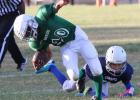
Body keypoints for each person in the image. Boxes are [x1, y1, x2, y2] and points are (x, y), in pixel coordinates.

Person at [13, 0, 103, 99]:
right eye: (26, 35)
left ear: (31, 21)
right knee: (74, 76)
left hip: (77, 36)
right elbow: (48, 53)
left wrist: (63, 2)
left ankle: (98, 96)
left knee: (96, 67)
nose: (29, 35)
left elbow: (57, 5)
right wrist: (42, 59)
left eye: (28, 31)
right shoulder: (34, 43)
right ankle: (81, 76)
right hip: (65, 46)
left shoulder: (42, 15)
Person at [0, 0, 27, 71]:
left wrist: (22, 18)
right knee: (9, 40)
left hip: (11, 15)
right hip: (1, 16)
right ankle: (20, 61)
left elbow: (20, 3)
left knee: (3, 37)